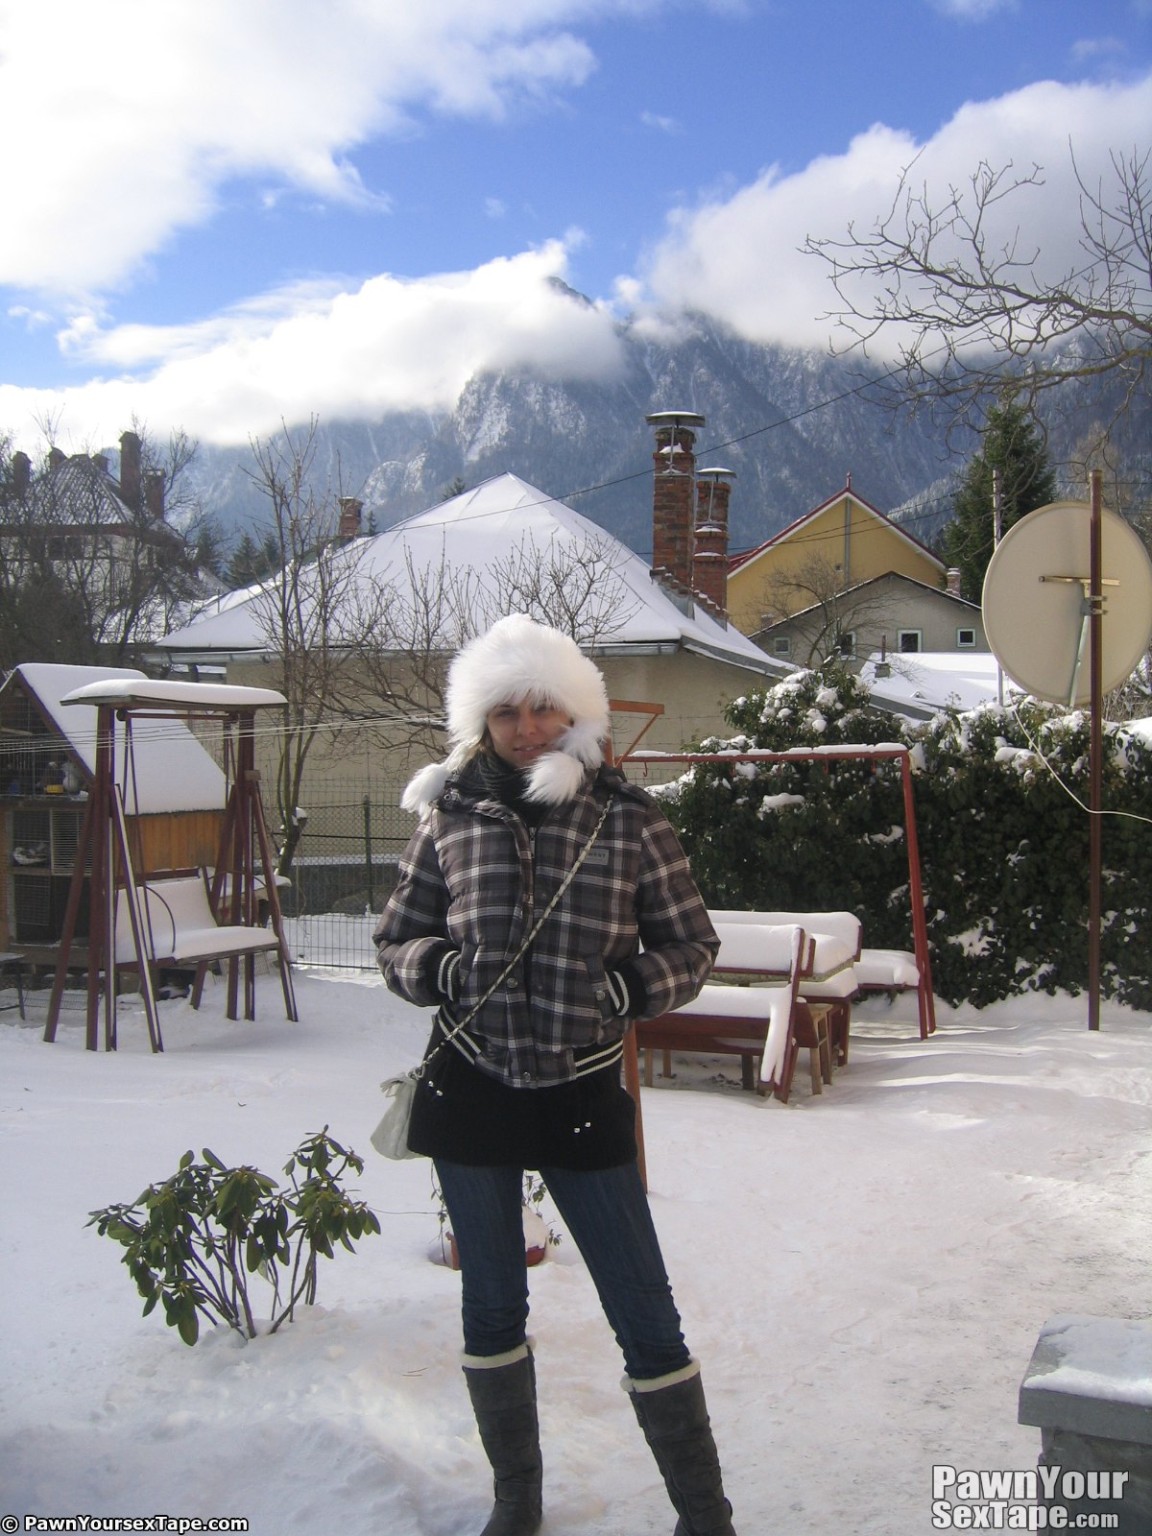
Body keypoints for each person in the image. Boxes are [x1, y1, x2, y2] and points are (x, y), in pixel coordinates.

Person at [373, 614, 737, 1536]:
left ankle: (706, 1516)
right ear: (482, 724)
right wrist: (442, 971)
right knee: (491, 1303)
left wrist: (625, 989)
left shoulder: (628, 821)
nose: (526, 727)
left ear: (575, 713)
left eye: (543, 708)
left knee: (643, 1310)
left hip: (580, 1086)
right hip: (471, 1084)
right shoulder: (447, 818)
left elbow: (692, 945)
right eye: (506, 713)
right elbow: (395, 939)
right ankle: (517, 1502)